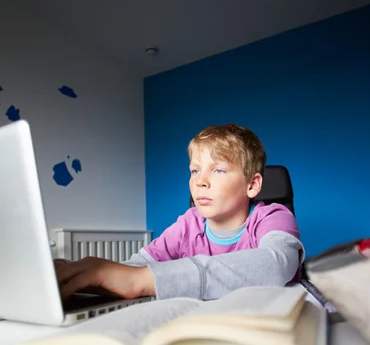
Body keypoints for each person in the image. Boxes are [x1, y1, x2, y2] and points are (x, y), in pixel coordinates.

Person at [55, 124, 305, 301]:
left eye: (217, 170)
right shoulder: (189, 224)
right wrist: (84, 273)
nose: (200, 181)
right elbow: (138, 267)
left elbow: (276, 264)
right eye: (195, 170)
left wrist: (140, 281)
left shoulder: (274, 216)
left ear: (252, 185)